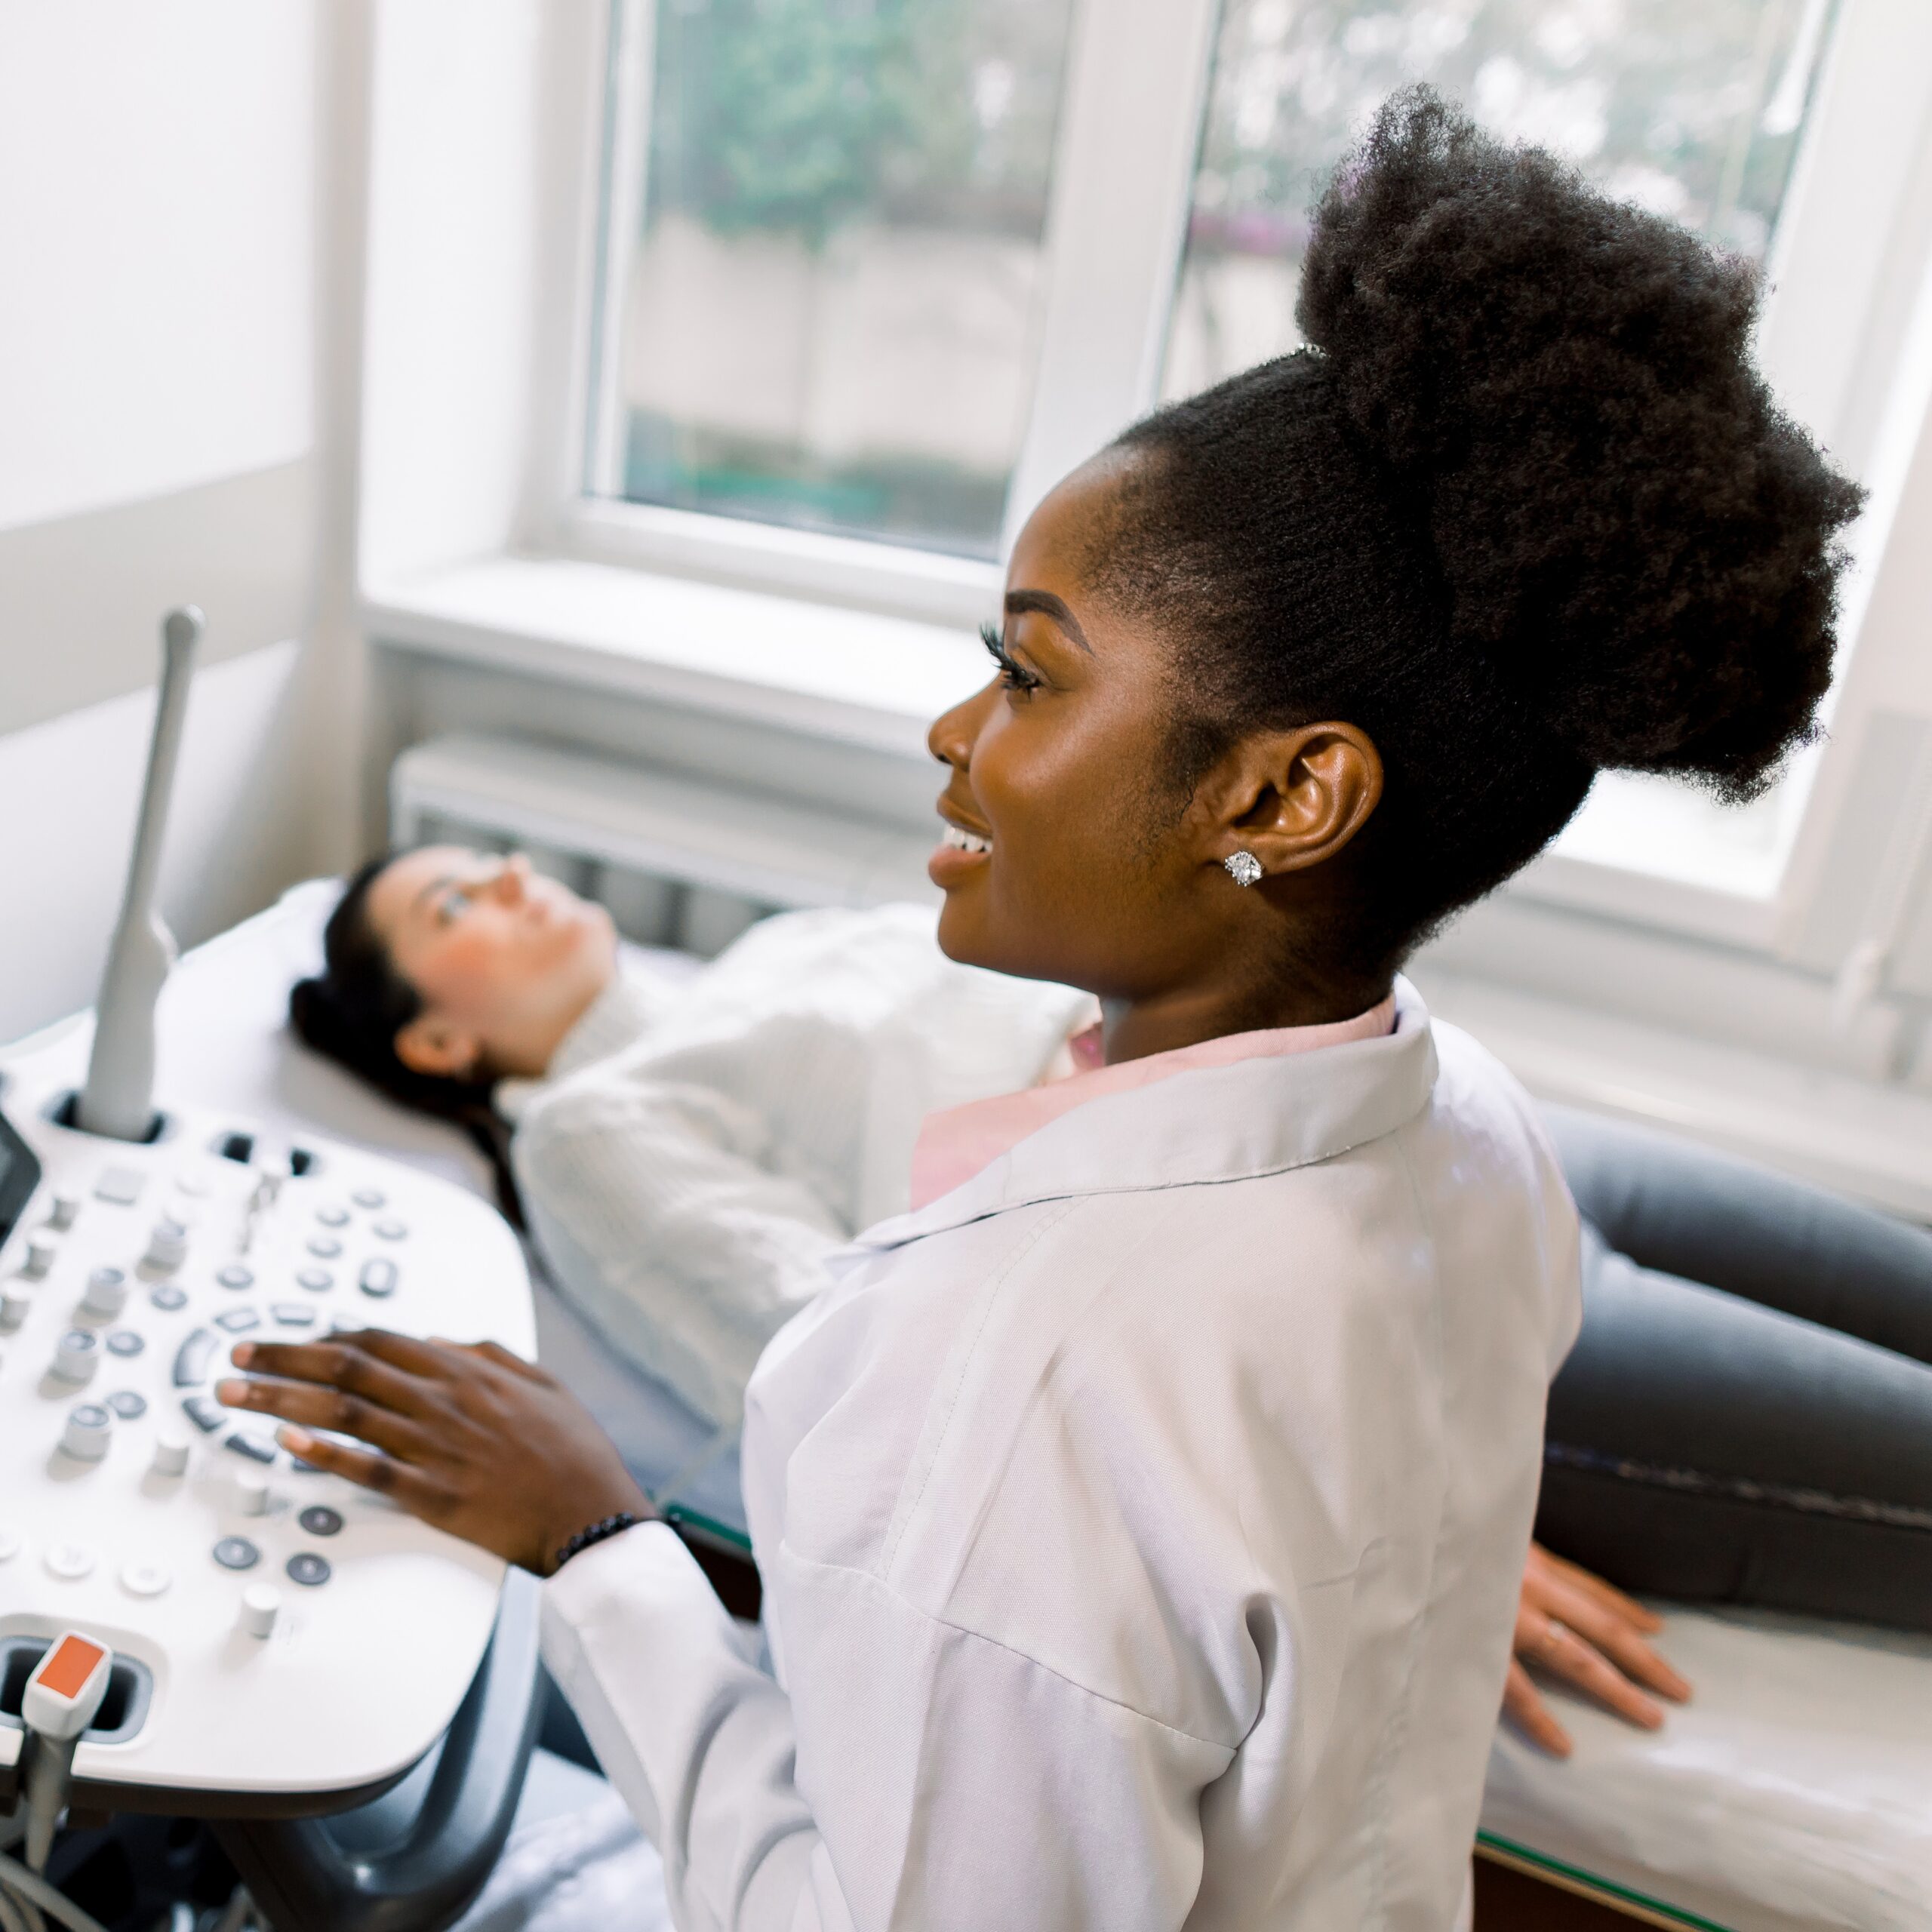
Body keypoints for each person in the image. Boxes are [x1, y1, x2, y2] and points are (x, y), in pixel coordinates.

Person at [230, 91, 1857, 1927]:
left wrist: (597, 1543)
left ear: (1276, 797)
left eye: (1024, 670)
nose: (953, 732)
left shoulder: (1017, 1386)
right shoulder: (1466, 1123)